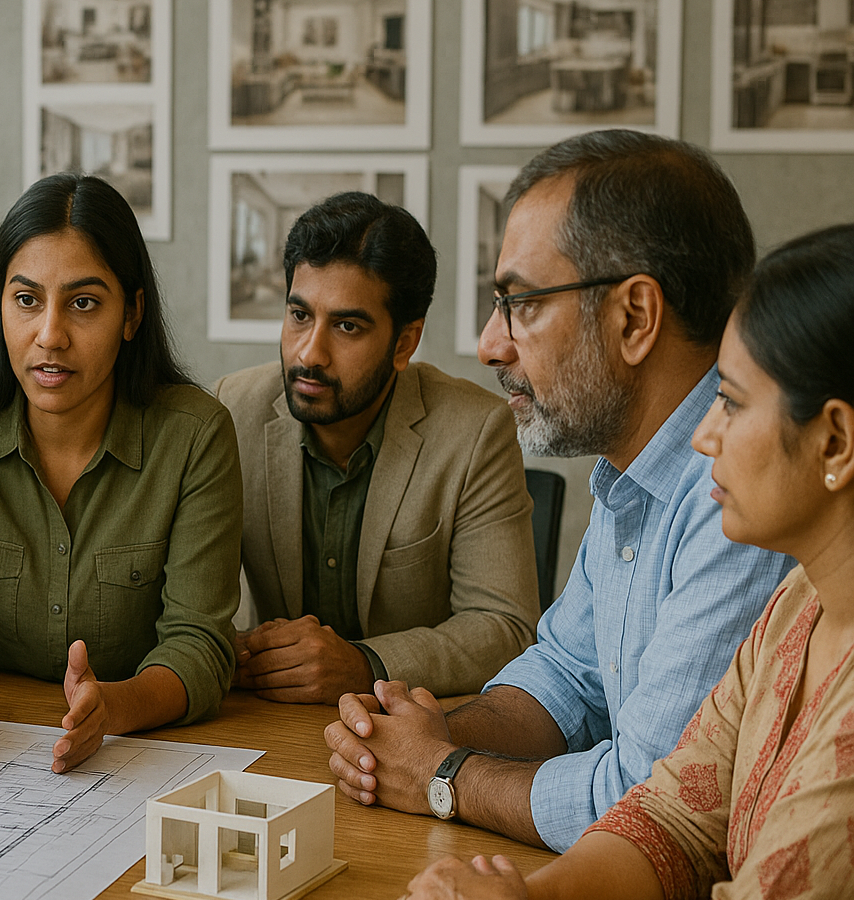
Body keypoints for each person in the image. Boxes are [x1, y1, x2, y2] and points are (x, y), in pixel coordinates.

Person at [388, 222, 854, 900]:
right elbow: (672, 815)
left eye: (732, 404)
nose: (704, 437)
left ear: (834, 442)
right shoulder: (801, 603)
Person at [325, 130, 797, 850]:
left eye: (521, 303)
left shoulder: (736, 493)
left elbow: (650, 799)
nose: (490, 344)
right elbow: (565, 676)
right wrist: (418, 736)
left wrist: (442, 775)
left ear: (634, 318)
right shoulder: (632, 475)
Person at [0, 173, 242, 773]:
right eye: (26, 300)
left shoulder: (196, 436)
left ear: (132, 313)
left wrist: (113, 706)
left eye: (83, 303)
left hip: (141, 753)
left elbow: (200, 646)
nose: (49, 335)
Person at [215, 191, 539, 703]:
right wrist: (230, 650)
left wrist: (365, 664)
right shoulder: (233, 409)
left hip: (412, 723)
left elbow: (505, 627)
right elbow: (179, 599)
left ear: (404, 342)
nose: (310, 353)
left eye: (347, 326)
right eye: (299, 315)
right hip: (269, 717)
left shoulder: (476, 430)